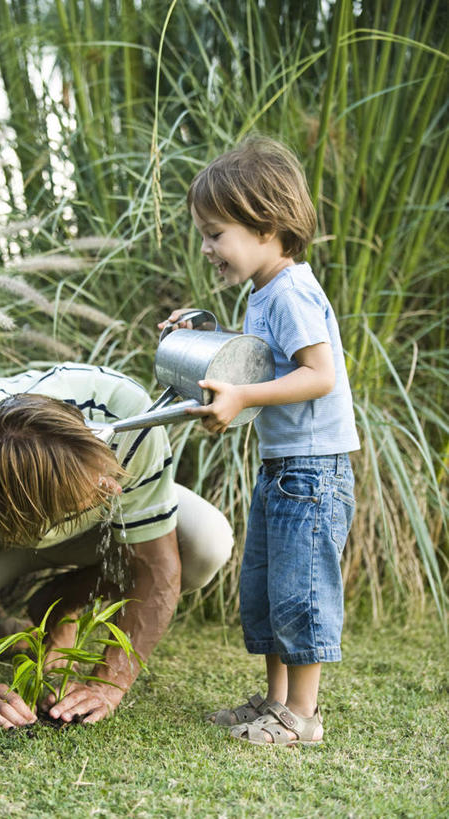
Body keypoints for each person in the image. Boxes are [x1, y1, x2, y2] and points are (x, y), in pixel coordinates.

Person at [160, 136, 359, 746]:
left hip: (313, 471)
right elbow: (255, 360)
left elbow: (317, 374)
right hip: (284, 467)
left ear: (266, 225)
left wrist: (243, 398)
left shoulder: (293, 291)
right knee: (271, 586)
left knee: (301, 587)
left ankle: (302, 714)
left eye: (216, 233)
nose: (207, 247)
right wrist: (198, 331)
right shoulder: (264, 292)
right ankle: (275, 701)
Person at [0, 362, 233, 728]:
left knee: (204, 543)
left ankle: (63, 600)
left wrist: (108, 685)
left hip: (88, 530)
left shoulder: (124, 412)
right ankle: (6, 631)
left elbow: (157, 566)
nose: (113, 488)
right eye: (92, 489)